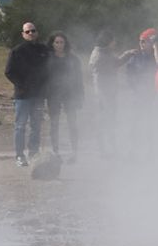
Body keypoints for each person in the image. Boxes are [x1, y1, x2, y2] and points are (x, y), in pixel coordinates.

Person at [3, 21, 50, 168]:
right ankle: (19, 155)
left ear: (37, 32)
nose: (31, 33)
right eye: (27, 31)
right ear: (23, 34)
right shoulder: (17, 51)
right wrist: (22, 86)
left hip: (38, 96)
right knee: (20, 126)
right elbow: (8, 72)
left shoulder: (44, 50)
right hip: (23, 96)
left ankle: (33, 153)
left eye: (33, 31)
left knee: (36, 126)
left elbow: (49, 70)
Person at [44, 32, 84, 162]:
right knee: (54, 124)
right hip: (53, 94)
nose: (59, 45)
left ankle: (74, 152)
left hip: (70, 94)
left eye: (62, 42)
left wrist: (80, 96)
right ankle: (56, 152)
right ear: (52, 44)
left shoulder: (73, 59)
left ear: (65, 44)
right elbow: (43, 77)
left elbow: (79, 78)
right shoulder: (47, 58)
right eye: (57, 42)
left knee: (72, 123)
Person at [87, 29, 121, 158]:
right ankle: (103, 149)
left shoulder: (107, 52)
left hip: (110, 92)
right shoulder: (98, 54)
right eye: (113, 40)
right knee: (104, 121)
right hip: (102, 94)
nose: (115, 42)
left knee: (110, 121)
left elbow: (116, 63)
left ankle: (111, 148)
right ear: (107, 41)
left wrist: (127, 54)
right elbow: (95, 67)